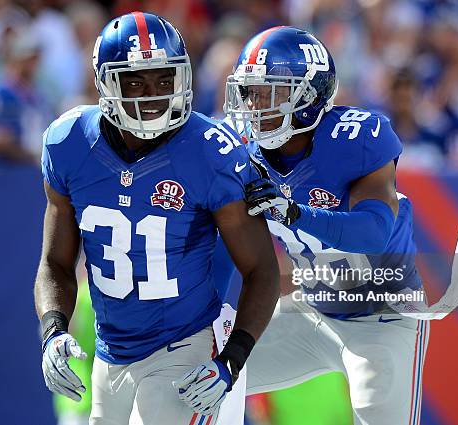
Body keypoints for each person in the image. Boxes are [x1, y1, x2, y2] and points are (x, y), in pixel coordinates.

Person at [34, 12, 279, 425]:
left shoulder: (210, 152)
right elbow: (55, 263)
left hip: (187, 344)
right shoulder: (70, 142)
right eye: (136, 81)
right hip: (110, 356)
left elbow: (262, 269)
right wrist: (53, 331)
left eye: (165, 79)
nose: (154, 95)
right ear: (105, 84)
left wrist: (232, 360)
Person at [222, 26, 429, 425]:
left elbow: (373, 231)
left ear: (309, 95)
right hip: (312, 312)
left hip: (383, 317)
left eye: (271, 92)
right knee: (203, 379)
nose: (255, 104)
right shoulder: (239, 147)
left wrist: (296, 212)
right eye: (250, 92)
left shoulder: (357, 138)